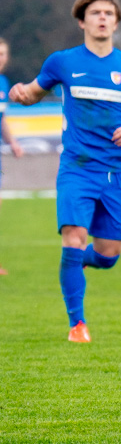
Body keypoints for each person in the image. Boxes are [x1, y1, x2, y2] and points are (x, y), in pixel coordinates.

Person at [9, 0, 121, 342]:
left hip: (116, 172)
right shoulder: (62, 62)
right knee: (74, 237)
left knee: (107, 255)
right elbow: (33, 92)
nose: (102, 18)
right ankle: (77, 324)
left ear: (116, 22)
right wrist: (21, 94)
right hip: (76, 167)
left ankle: (75, 262)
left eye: (108, 13)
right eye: (95, 13)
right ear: (82, 21)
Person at [0, 37, 25, 276]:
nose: (1, 58)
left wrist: (13, 142)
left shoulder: (3, 83)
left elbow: (2, 119)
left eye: (3, 54)